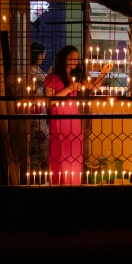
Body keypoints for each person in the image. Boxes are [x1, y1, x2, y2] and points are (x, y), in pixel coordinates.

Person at [44, 45, 113, 185]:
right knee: (60, 151)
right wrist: (69, 88)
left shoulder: (78, 77)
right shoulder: (52, 77)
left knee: (74, 152)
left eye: (76, 58)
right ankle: (58, 183)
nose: (74, 61)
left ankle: (74, 183)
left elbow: (93, 87)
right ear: (63, 59)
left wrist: (102, 73)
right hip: (59, 118)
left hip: (73, 118)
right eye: (71, 58)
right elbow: (50, 102)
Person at [29, 42, 49, 169]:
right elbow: (46, 81)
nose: (44, 56)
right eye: (43, 54)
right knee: (39, 138)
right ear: (39, 55)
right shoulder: (32, 70)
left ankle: (39, 167)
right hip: (34, 109)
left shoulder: (36, 68)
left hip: (39, 107)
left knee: (41, 136)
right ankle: (37, 168)